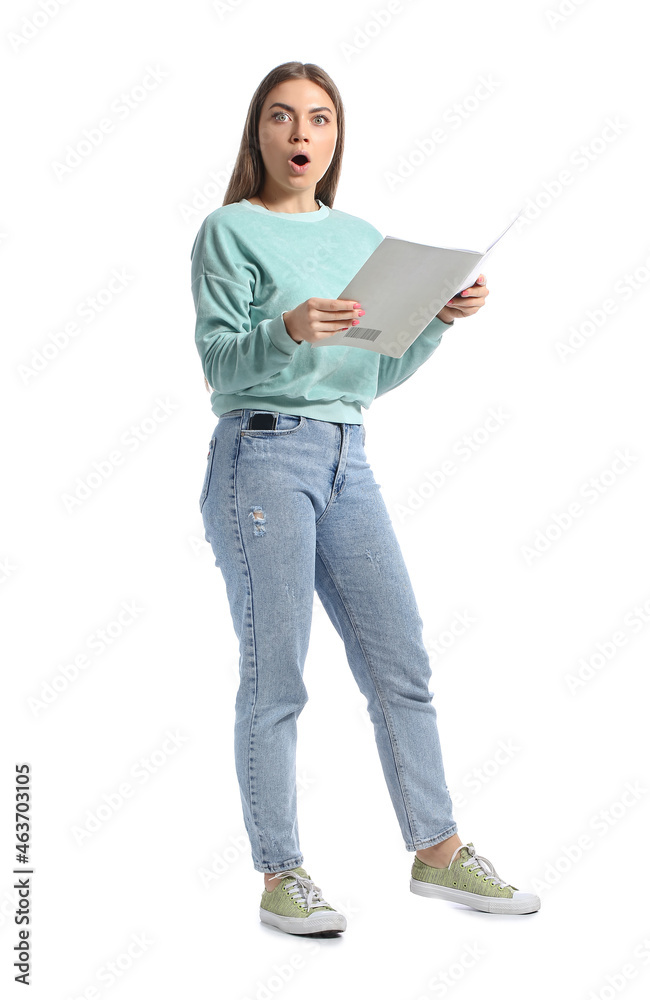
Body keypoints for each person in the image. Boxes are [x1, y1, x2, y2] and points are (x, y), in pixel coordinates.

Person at [190, 61, 540, 937]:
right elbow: (220, 362)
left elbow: (372, 374)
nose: (300, 135)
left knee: (401, 662)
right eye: (281, 118)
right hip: (262, 456)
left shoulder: (360, 237)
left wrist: (437, 324)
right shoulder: (228, 231)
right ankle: (282, 873)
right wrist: (288, 328)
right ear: (258, 132)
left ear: (337, 137)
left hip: (350, 456)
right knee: (277, 676)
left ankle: (439, 852)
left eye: (318, 119)